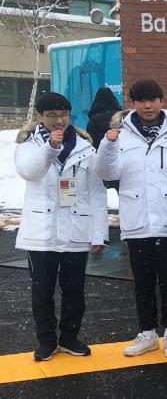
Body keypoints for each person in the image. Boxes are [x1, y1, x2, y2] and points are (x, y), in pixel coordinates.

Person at [95, 79, 167, 359]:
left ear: (161, 101)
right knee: (142, 280)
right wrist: (107, 145)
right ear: (132, 103)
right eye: (141, 100)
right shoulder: (120, 134)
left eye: (153, 99)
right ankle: (147, 333)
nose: (148, 105)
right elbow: (107, 174)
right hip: (137, 219)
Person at [14, 92, 108, 361]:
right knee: (42, 290)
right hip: (41, 231)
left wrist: (98, 232)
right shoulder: (28, 145)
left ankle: (69, 337)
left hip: (76, 229)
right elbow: (28, 171)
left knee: (74, 290)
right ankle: (46, 341)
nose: (59, 121)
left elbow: (96, 193)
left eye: (63, 115)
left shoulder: (85, 147)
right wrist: (50, 148)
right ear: (40, 118)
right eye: (52, 116)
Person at [86, 87, 123, 191]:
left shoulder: (94, 119)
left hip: (100, 159)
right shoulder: (120, 118)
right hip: (118, 158)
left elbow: (90, 140)